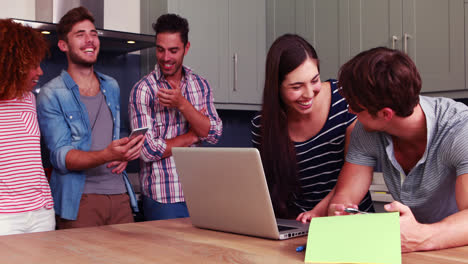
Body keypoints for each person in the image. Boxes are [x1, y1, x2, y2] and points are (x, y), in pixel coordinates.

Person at [327, 46, 468, 252]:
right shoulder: (366, 130)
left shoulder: (460, 129)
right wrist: (339, 212)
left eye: (355, 107)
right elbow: (345, 197)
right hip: (408, 251)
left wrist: (421, 237)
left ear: (386, 114)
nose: (349, 110)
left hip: (455, 248)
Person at [36, 7, 145, 229]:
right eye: (80, 34)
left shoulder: (111, 85)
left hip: (120, 195)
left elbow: (110, 135)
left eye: (93, 34)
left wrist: (125, 152)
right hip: (80, 199)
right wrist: (107, 154)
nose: (90, 40)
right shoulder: (51, 93)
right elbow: (61, 157)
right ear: (63, 45)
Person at [250, 34, 374, 220]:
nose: (309, 94)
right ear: (276, 87)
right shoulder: (262, 125)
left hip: (348, 221)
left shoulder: (345, 101)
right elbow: (266, 186)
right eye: (296, 87)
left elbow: (356, 171)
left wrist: (320, 212)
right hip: (298, 224)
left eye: (314, 80)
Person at [129, 14, 222, 221]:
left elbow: (214, 133)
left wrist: (182, 104)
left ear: (186, 48)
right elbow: (147, 150)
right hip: (163, 198)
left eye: (173, 50)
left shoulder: (201, 85)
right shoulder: (143, 90)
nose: (165, 57)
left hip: (199, 195)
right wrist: (191, 136)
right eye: (160, 49)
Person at [0, 19, 55, 235]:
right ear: (12, 65)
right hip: (5, 217)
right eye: (33, 65)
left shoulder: (29, 99)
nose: (40, 72)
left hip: (42, 212)